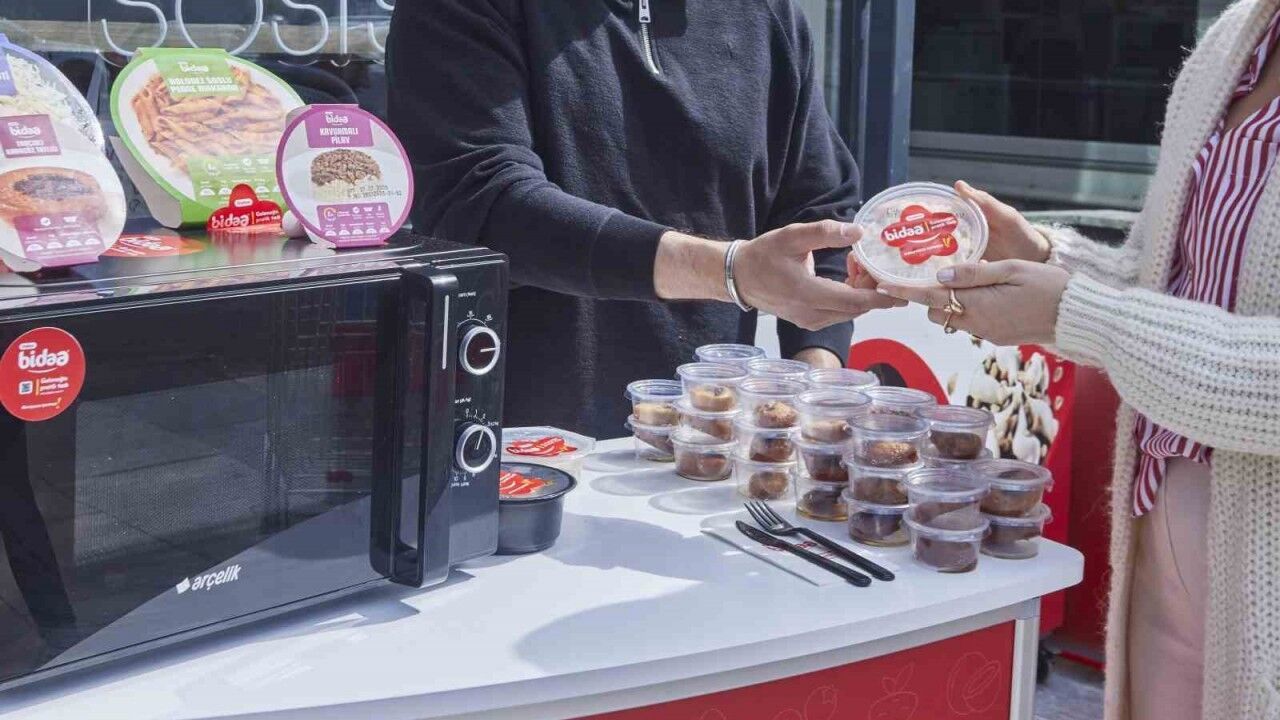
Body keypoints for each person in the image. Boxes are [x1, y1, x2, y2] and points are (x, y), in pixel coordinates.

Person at [874, 2, 1280, 718]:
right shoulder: (1235, 39)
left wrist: (1071, 312)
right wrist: (1038, 256)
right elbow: (1161, 281)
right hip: (1160, 524)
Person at [385, 0, 902, 437]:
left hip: (709, 451)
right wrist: (729, 270)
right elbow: (484, 202)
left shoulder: (765, 13)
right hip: (520, 453)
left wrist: (814, 383)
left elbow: (818, 202)